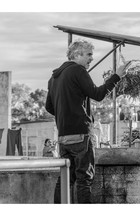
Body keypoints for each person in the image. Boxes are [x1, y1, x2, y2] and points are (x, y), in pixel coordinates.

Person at [45, 39, 131, 203]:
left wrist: (66, 114)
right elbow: (98, 94)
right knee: (85, 180)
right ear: (77, 54)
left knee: (66, 179)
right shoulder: (78, 70)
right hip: (81, 135)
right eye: (89, 55)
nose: (91, 58)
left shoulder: (53, 78)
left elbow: (49, 107)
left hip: (63, 137)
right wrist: (117, 76)